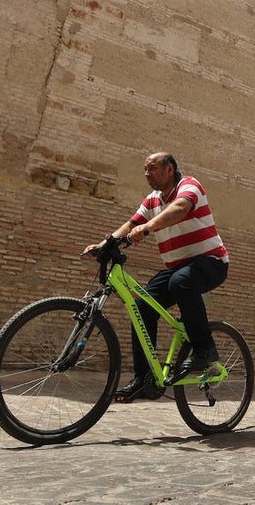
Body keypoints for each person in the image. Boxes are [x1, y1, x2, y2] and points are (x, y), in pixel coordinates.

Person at [83, 152, 229, 402]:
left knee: (181, 282)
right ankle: (144, 379)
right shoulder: (152, 201)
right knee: (141, 306)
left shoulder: (189, 185)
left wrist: (149, 228)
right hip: (176, 268)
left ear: (169, 169)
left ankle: (204, 349)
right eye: (145, 169)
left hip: (211, 262)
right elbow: (130, 224)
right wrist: (104, 244)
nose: (147, 174)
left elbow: (181, 208)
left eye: (152, 168)